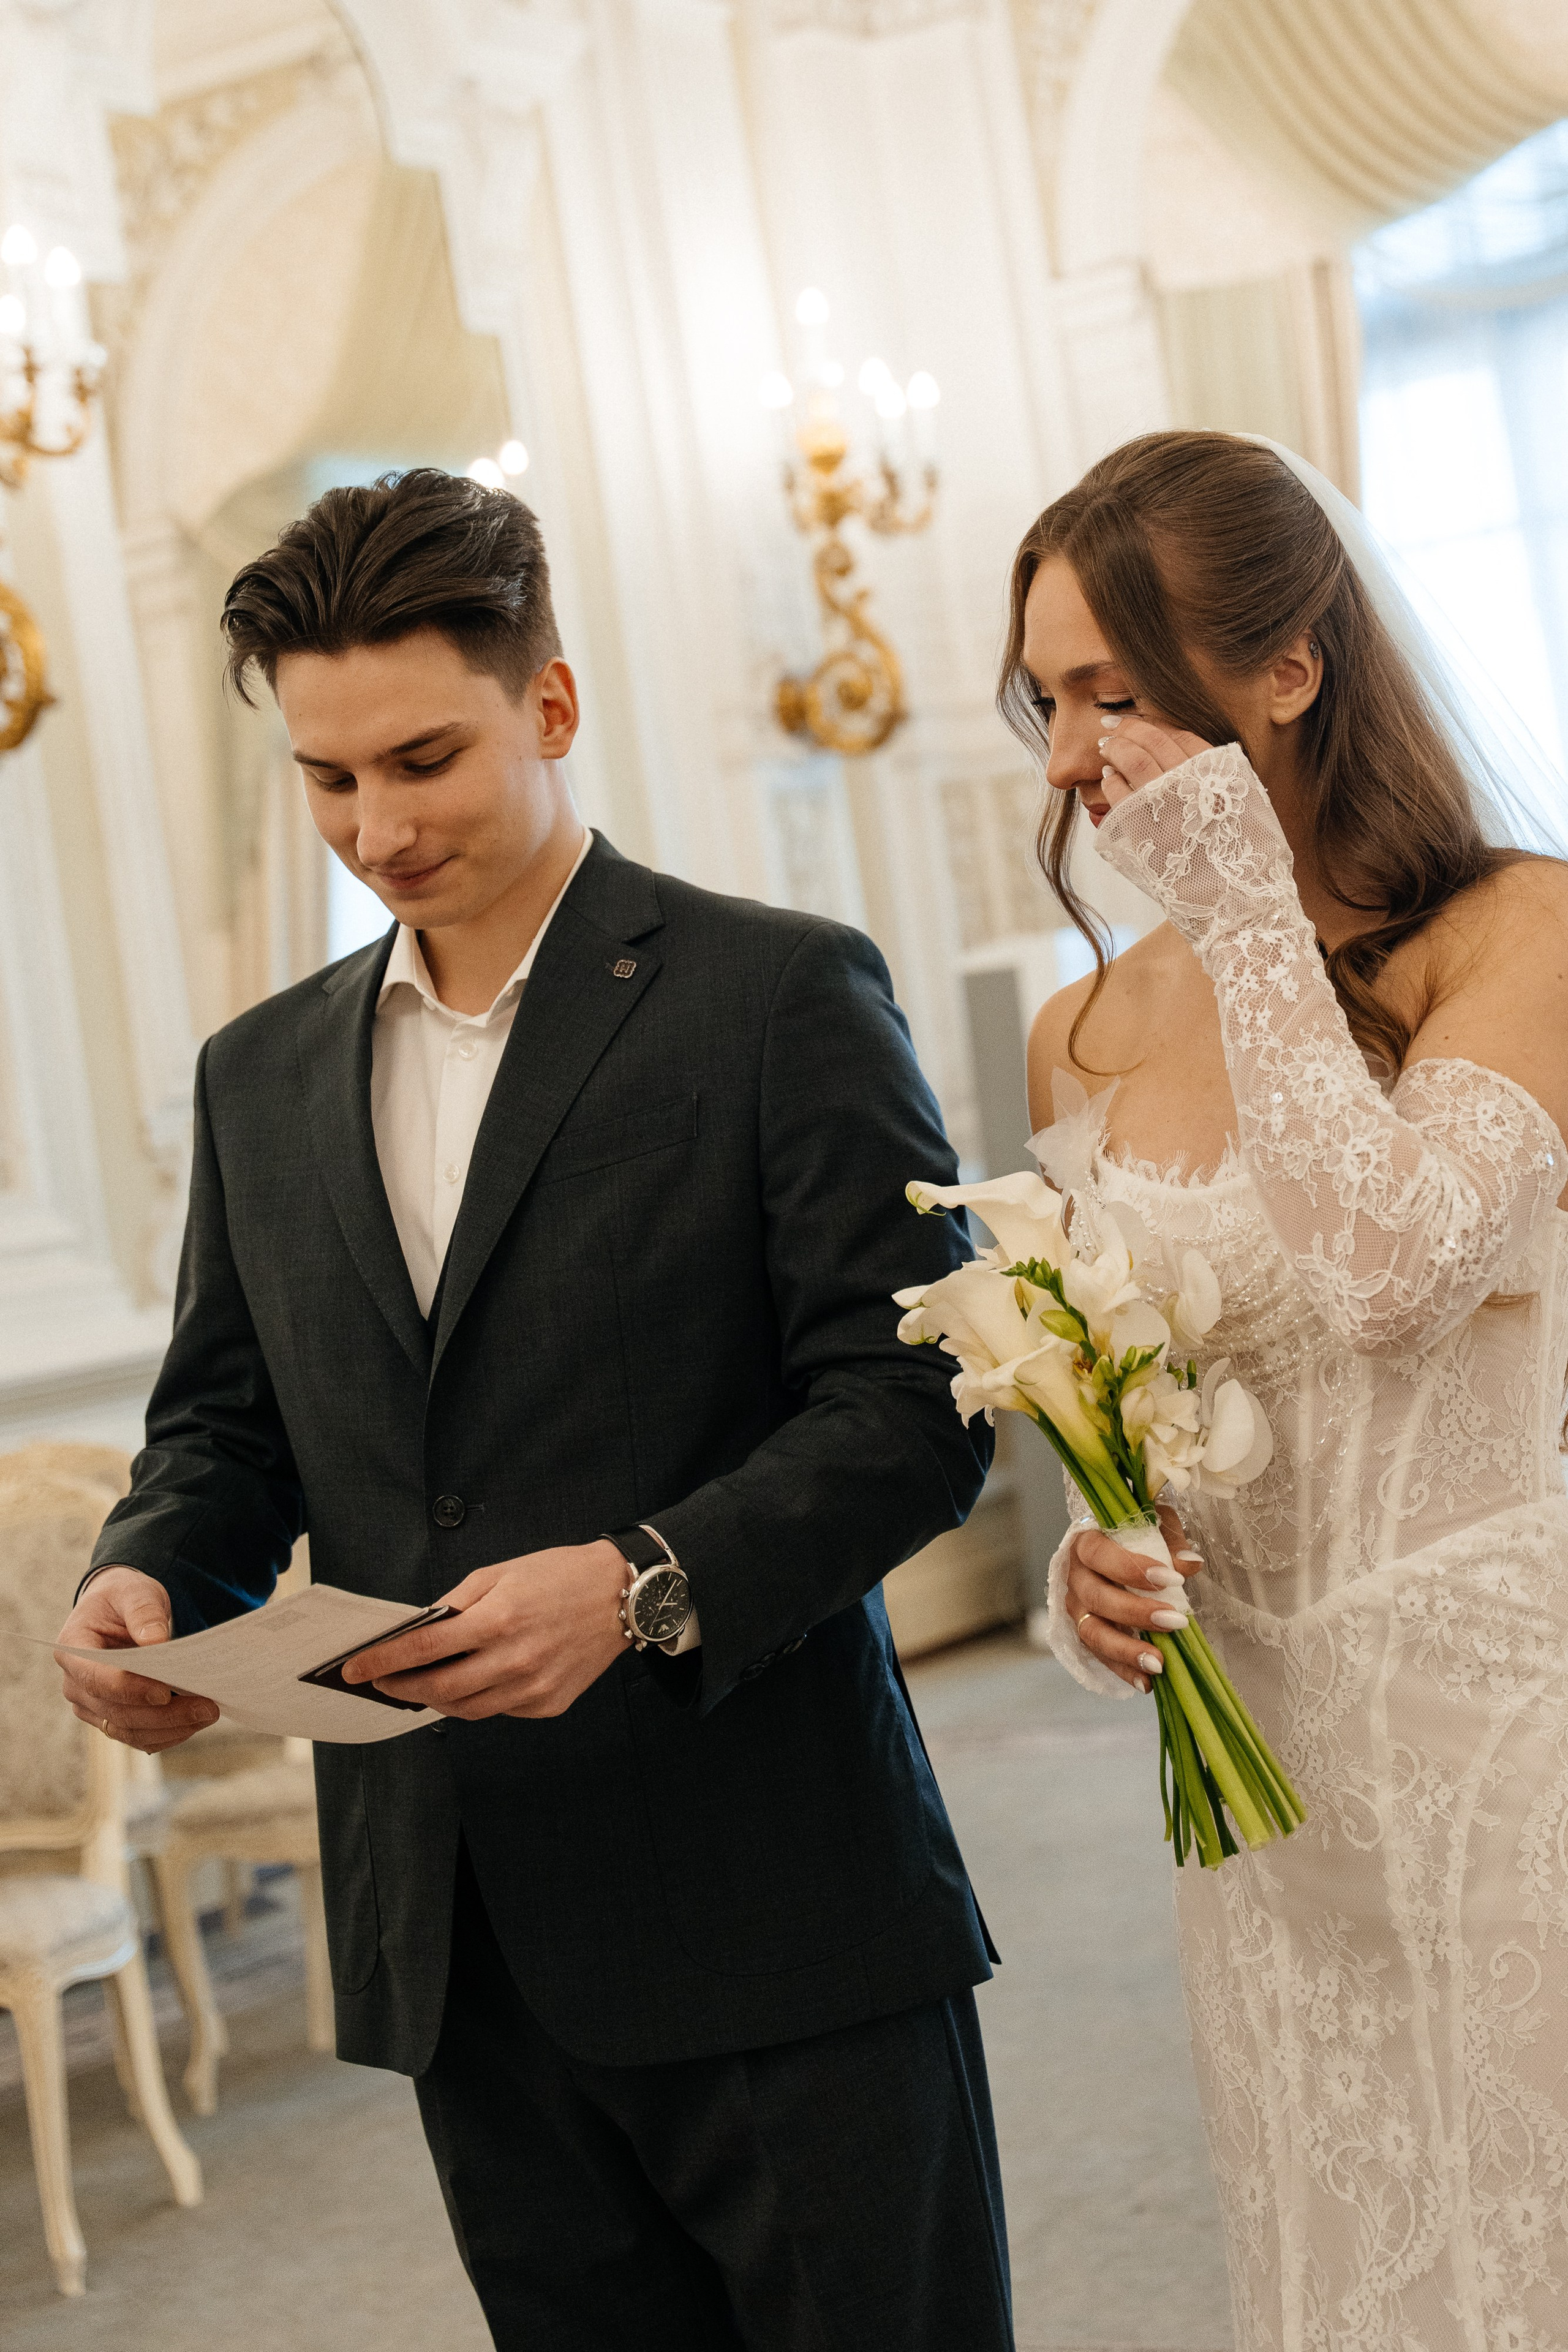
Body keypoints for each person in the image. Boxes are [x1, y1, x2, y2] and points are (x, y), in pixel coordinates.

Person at [53, 469, 1012, 2351]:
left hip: (775, 1902)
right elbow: (226, 1433)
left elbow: (921, 1402)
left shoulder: (777, 994)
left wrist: (646, 1581)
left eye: (424, 760)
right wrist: (147, 1575)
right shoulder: (257, 1079)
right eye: (330, 779)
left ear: (551, 706)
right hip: (454, 1933)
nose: (378, 828)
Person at [1006, 428, 1568, 2352]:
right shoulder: (1078, 1029)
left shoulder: (1523, 930)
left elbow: (1386, 1278)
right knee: (1343, 2256)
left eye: (1110, 693)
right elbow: (1120, 1415)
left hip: (1499, 1746)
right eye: (1045, 700)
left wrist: (1254, 915)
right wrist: (1094, 1574)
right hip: (1261, 1793)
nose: (1067, 758)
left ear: (1287, 669)